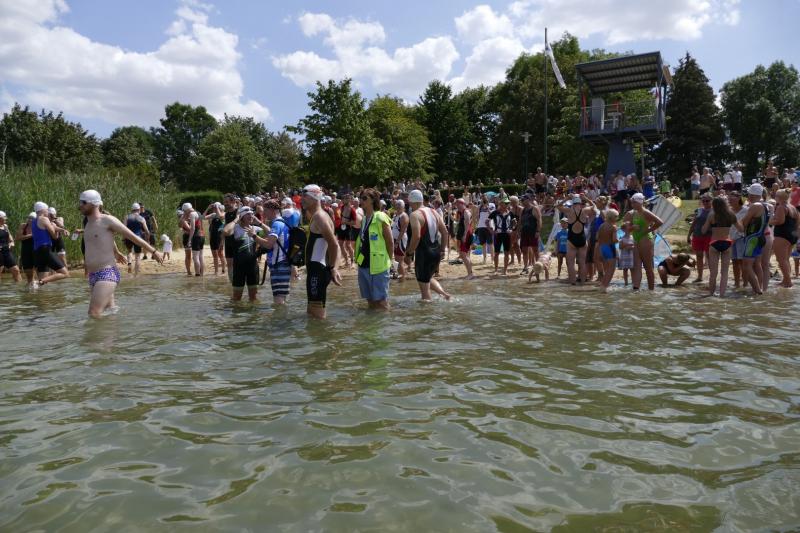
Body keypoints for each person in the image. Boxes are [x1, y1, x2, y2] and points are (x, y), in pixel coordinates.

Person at [78, 190, 163, 317]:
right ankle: (119, 328)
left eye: (83, 202)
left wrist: (153, 251)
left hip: (106, 273)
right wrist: (116, 252)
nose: (80, 206)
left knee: (94, 313)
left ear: (94, 204)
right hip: (93, 275)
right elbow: (104, 239)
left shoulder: (107, 220)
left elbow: (133, 236)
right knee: (110, 311)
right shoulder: (88, 223)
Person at [302, 185, 342, 319]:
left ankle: (324, 333)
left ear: (314, 198)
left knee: (318, 316)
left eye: (305, 196)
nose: (302, 199)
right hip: (315, 270)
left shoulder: (320, 217)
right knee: (311, 314)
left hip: (318, 271)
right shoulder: (316, 216)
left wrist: (334, 268)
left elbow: (334, 244)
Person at [406, 189, 451, 301]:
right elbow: (445, 232)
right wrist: (442, 250)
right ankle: (444, 295)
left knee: (425, 293)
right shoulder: (434, 212)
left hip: (424, 254)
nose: (409, 205)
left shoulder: (415, 215)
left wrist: (409, 253)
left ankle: (427, 311)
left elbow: (416, 237)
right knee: (428, 278)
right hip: (436, 253)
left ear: (412, 202)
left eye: (409, 202)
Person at [354, 188, 393, 311]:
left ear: (373, 200)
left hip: (379, 265)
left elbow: (390, 242)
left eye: (364, 198)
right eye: (360, 198)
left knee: (381, 302)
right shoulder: (364, 219)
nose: (361, 200)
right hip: (363, 264)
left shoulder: (381, 216)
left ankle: (385, 322)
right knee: (370, 300)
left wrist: (389, 261)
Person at [222, 206, 270, 302]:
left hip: (252, 267)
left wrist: (259, 222)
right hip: (239, 267)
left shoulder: (255, 229)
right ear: (241, 216)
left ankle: (252, 311)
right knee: (236, 298)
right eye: (248, 214)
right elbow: (225, 231)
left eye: (252, 214)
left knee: (253, 298)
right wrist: (236, 219)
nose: (251, 216)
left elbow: (271, 232)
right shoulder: (235, 229)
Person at [701, 196, 743, 297]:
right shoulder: (730, 214)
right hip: (726, 243)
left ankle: (711, 294)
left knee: (713, 272)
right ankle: (722, 295)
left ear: (713, 205)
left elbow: (703, 231)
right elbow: (741, 229)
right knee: (724, 272)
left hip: (714, 243)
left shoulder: (712, 215)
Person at [622, 193, 663, 290]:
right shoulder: (634, 213)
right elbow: (625, 228)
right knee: (637, 267)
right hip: (636, 240)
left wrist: (649, 230)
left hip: (646, 241)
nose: (632, 204)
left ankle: (651, 290)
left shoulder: (645, 212)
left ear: (640, 202)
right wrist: (632, 227)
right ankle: (636, 289)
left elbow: (660, 222)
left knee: (648, 267)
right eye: (632, 202)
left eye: (634, 202)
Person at [557, 194, 595, 285]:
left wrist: (567, 198)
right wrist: (586, 198)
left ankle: (573, 283)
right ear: (580, 203)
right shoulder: (585, 210)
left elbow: (558, 206)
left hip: (572, 240)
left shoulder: (569, 211)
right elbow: (594, 207)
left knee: (571, 263)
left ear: (573, 203)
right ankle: (582, 283)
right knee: (582, 263)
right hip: (582, 239)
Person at [739, 183, 769, 295]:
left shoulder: (755, 205)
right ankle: (759, 288)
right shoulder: (765, 205)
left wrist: (736, 220)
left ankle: (757, 291)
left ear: (751, 195)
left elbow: (744, 223)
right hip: (760, 237)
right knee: (757, 265)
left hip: (752, 239)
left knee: (746, 266)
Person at [31, 201, 70, 286]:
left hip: (37, 251)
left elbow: (53, 227)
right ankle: (37, 282)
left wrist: (62, 230)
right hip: (46, 250)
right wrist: (58, 231)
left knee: (43, 283)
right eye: (47, 210)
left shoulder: (33, 221)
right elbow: (54, 236)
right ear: (43, 210)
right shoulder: (44, 219)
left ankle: (36, 288)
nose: (47, 212)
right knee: (65, 273)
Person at [262, 200, 292, 305]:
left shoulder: (276, 224)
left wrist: (254, 236)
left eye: (265, 210)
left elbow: (269, 244)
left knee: (278, 300)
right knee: (282, 298)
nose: (264, 213)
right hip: (284, 263)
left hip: (279, 264)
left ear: (272, 210)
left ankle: (279, 316)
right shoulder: (283, 222)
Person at [771, 189, 798, 288]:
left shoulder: (781, 207)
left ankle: (788, 281)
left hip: (782, 235)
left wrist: (769, 221)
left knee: (781, 259)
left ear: (779, 197)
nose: (775, 197)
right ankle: (786, 280)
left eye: (776, 195)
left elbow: (780, 221)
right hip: (792, 235)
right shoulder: (793, 207)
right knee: (786, 259)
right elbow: (797, 222)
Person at [687, 194, 712, 283]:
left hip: (709, 236)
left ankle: (712, 276)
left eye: (707, 201)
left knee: (709, 256)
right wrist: (689, 235)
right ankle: (700, 276)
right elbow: (694, 223)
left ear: (711, 201)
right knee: (699, 256)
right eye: (703, 201)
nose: (705, 202)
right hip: (697, 235)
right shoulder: (699, 210)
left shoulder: (714, 211)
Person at [488, 198, 517, 275]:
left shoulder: (510, 213)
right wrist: (491, 230)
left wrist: (512, 229)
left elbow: (515, 222)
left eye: (508, 203)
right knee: (496, 253)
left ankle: (505, 270)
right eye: (506, 203)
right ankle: (496, 270)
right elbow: (487, 221)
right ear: (501, 204)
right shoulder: (495, 212)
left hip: (507, 235)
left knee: (506, 253)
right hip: (498, 235)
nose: (507, 204)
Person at [124, 203, 150, 276]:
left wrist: (124, 237)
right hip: (138, 238)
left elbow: (124, 228)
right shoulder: (141, 218)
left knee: (129, 251)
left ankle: (129, 263)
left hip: (128, 236)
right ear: (139, 210)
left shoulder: (127, 217)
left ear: (132, 210)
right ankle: (136, 275)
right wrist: (147, 240)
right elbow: (147, 231)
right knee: (138, 256)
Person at [519, 194, 542, 274]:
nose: (522, 202)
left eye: (523, 200)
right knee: (524, 250)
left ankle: (538, 267)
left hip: (533, 232)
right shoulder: (522, 210)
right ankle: (525, 267)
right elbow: (520, 221)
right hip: (524, 233)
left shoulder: (534, 209)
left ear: (528, 200)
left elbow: (539, 220)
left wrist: (538, 231)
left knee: (535, 250)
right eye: (521, 200)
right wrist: (519, 231)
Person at [597, 209, 619, 292]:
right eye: (616, 217)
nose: (617, 218)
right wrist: (619, 240)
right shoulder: (613, 227)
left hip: (602, 248)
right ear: (612, 217)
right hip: (610, 247)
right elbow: (614, 240)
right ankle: (604, 287)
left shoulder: (601, 226)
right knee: (611, 269)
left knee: (607, 269)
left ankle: (603, 285)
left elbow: (597, 238)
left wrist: (600, 251)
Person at [180, 203, 204, 277]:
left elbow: (192, 228)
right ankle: (191, 272)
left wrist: (189, 239)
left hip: (195, 236)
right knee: (192, 256)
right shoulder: (187, 216)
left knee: (196, 257)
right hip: (195, 236)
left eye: (185, 211)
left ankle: (198, 274)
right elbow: (181, 224)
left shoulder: (192, 214)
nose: (184, 212)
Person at [454, 198, 475, 279]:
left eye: (458, 204)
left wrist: (464, 236)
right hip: (465, 235)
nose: (457, 206)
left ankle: (470, 274)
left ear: (463, 204)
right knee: (464, 255)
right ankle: (470, 273)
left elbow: (467, 225)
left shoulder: (466, 212)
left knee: (463, 255)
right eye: (456, 205)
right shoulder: (461, 212)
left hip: (466, 235)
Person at [390, 199, 410, 281]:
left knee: (399, 260)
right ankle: (400, 277)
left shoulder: (403, 216)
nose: (397, 207)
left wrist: (397, 242)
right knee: (396, 260)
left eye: (399, 205)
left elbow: (403, 230)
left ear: (403, 207)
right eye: (397, 205)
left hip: (400, 240)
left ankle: (402, 280)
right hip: (394, 239)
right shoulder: (395, 215)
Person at [204, 202, 226, 276]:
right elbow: (203, 217)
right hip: (213, 237)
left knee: (220, 254)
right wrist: (208, 208)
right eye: (215, 207)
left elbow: (221, 217)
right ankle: (216, 271)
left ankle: (223, 269)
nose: (215, 208)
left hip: (220, 237)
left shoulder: (224, 214)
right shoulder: (213, 215)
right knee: (215, 256)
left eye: (216, 207)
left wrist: (217, 207)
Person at [0, 210, 21, 282]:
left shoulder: (5, 226)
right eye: (4, 217)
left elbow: (10, 238)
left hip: (7, 251)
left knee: (16, 270)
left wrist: (11, 243)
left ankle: (19, 287)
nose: (6, 219)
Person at [16, 212, 36, 286]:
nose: (30, 220)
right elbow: (18, 238)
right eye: (29, 218)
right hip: (25, 251)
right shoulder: (23, 226)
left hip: (36, 250)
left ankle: (38, 287)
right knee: (28, 273)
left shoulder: (39, 226)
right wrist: (31, 235)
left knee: (38, 271)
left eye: (32, 218)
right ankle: (30, 287)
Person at [618, 221, 634, 285]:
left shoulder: (633, 237)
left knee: (632, 269)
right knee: (625, 269)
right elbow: (620, 247)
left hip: (631, 256)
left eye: (630, 226)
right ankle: (626, 282)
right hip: (624, 256)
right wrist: (626, 245)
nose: (630, 227)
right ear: (624, 229)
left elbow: (635, 246)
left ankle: (633, 281)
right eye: (628, 226)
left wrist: (632, 247)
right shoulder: (622, 238)